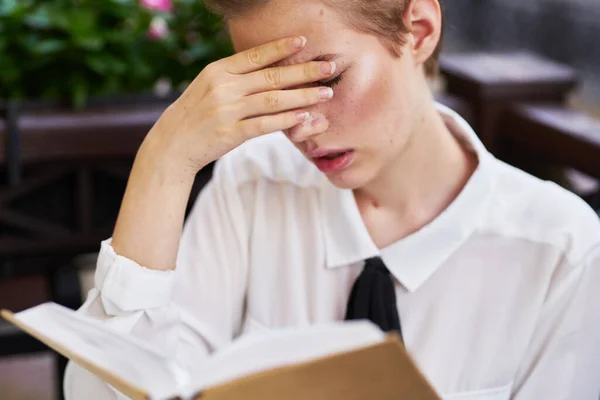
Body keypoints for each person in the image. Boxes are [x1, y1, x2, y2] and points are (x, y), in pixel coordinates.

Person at [65, 0, 600, 398]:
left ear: (418, 30)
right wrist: (165, 158)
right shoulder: (254, 181)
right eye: (269, 88)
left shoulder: (560, 250)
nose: (301, 126)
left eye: (325, 79)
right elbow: (104, 390)